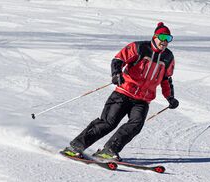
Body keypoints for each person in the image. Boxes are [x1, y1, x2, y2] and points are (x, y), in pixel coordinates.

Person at [62, 22, 179, 161]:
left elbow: (166, 79)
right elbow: (118, 59)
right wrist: (116, 74)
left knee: (136, 124)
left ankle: (109, 150)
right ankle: (75, 147)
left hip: (142, 100)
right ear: (155, 36)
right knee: (108, 123)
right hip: (123, 92)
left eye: (169, 39)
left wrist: (170, 97)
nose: (165, 42)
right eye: (162, 37)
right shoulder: (139, 47)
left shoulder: (168, 57)